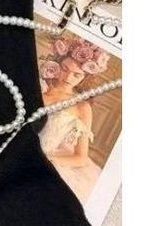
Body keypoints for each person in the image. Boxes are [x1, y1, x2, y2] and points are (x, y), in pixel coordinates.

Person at [37, 36, 110, 205]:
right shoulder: (39, 85)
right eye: (64, 69)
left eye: (77, 74)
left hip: (46, 160)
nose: (68, 77)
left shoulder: (81, 107)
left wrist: (47, 160)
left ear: (86, 76)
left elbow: (81, 157)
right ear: (57, 63)